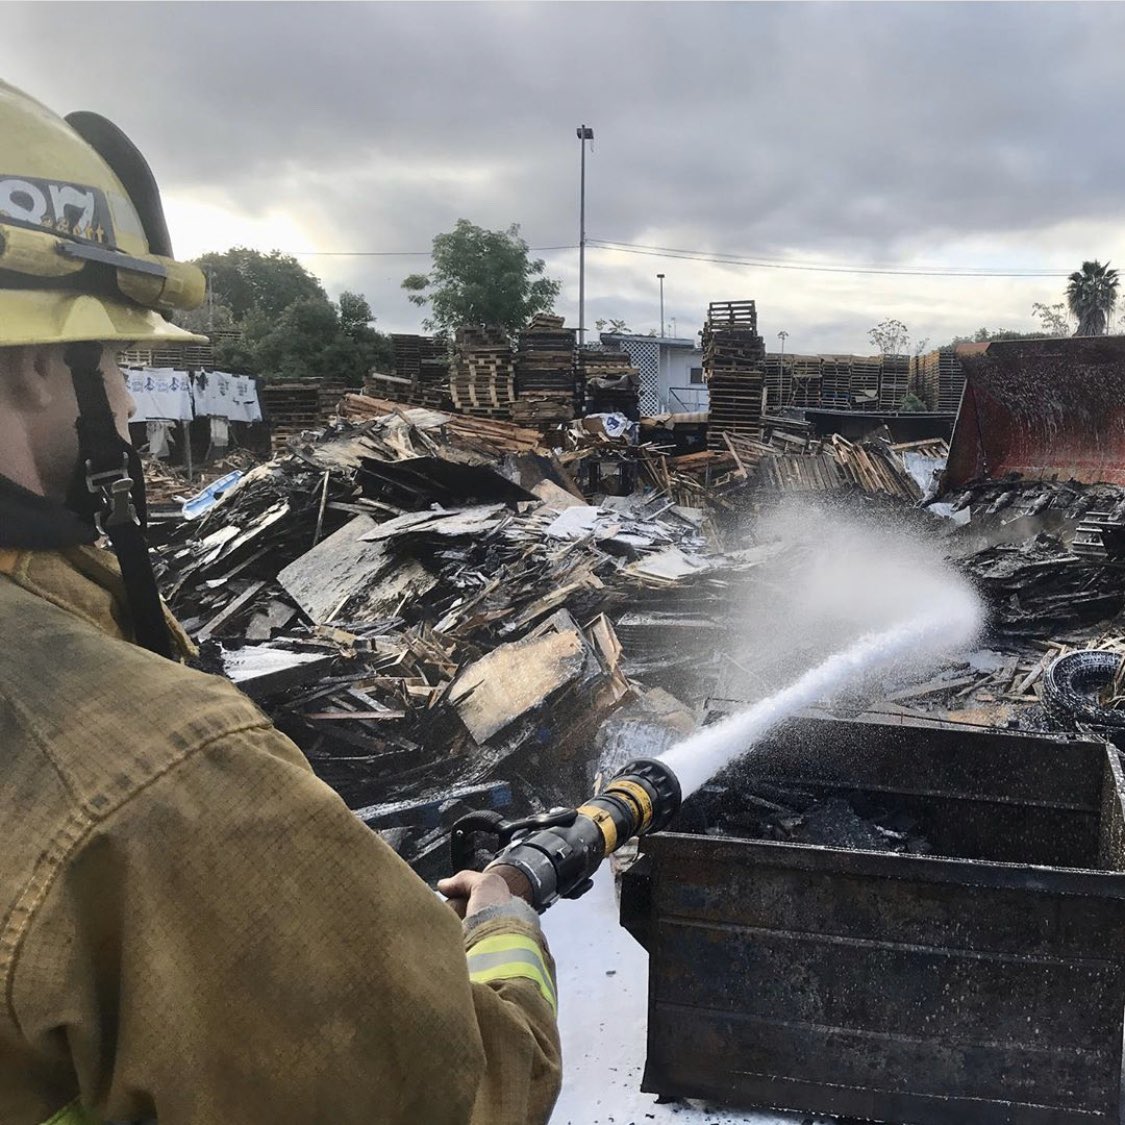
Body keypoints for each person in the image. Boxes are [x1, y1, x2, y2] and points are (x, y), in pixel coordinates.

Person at [0, 79, 561, 1125]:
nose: (125, 401)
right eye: (114, 357)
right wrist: (503, 924)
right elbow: (467, 1093)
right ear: (41, 364)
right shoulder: (150, 777)